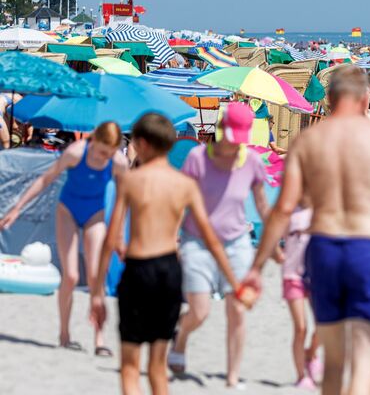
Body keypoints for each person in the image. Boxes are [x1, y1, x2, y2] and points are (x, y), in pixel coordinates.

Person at [241, 65, 370, 395]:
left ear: (329, 98)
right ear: (364, 98)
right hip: (368, 249)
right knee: (365, 357)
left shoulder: (309, 140)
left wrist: (256, 268)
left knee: (334, 360)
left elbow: (283, 209)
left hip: (323, 249)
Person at [90, 114, 242, 395]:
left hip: (138, 270)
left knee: (130, 367)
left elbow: (111, 239)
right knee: (158, 368)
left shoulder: (131, 181)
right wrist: (234, 282)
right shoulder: (184, 184)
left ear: (143, 144)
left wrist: (97, 293)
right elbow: (210, 237)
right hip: (170, 272)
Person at [0, 122, 127, 356]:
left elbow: (123, 196)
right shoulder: (76, 152)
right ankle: (64, 334)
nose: (104, 157)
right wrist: (17, 208)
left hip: (95, 214)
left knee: (95, 276)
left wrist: (118, 233)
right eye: (102, 152)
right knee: (71, 276)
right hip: (67, 211)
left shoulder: (118, 161)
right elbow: (45, 179)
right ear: (94, 141)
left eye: (109, 153)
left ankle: (99, 339)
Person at [168, 103, 271, 388]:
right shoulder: (198, 158)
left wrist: (275, 243)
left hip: (237, 243)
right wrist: (173, 238)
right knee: (200, 311)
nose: (234, 145)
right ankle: (181, 338)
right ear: (221, 128)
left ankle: (232, 376)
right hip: (197, 242)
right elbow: (180, 201)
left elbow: (263, 206)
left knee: (237, 310)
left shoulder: (252, 161)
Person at [281, 200, 322, 390]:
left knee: (323, 325)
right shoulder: (288, 210)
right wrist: (277, 254)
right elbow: (272, 232)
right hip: (292, 276)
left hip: (317, 275)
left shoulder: (321, 209)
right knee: (300, 328)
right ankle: (301, 376)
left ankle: (310, 354)